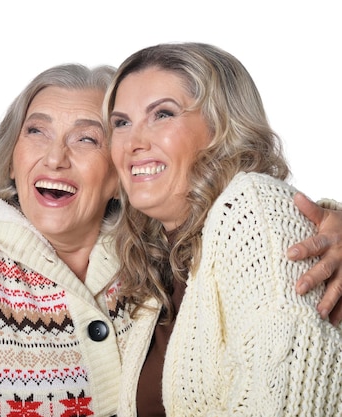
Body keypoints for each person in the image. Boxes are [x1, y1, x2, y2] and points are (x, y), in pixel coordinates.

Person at [0, 63, 342, 417]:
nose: (55, 157)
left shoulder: (159, 248)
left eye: (87, 137)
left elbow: (256, 234)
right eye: (36, 131)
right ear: (13, 155)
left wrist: (332, 224)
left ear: (120, 167)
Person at [106, 42, 342, 416]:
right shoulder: (159, 256)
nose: (134, 142)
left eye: (162, 114)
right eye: (121, 123)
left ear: (222, 126)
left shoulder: (253, 208)